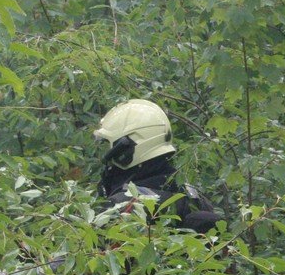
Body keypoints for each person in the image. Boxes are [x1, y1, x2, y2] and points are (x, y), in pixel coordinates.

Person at [94, 99, 222, 233]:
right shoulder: (193, 198)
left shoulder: (122, 206)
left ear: (125, 149)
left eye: (108, 145)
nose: (106, 157)